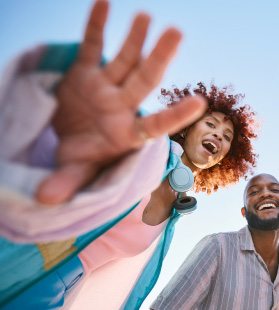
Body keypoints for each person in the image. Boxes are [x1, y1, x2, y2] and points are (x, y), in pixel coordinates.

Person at [0, 1, 258, 309]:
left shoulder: (177, 212)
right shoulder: (149, 151)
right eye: (211, 124)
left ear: (224, 159)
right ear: (188, 128)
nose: (218, 134)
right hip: (24, 259)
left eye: (227, 136)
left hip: (58, 296)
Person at [151, 173, 279, 310]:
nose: (265, 194)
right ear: (244, 213)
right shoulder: (217, 247)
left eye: (275, 190)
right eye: (254, 192)